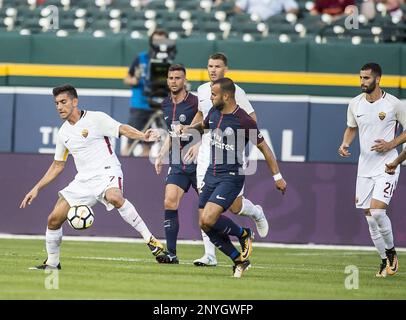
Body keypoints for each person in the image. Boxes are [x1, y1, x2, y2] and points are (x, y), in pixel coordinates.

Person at [20, 84, 164, 270]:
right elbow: (58, 165)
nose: (59, 107)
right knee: (53, 219)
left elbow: (122, 129)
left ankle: (151, 241)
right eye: (56, 103)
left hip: (107, 171)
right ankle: (52, 263)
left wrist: (143, 136)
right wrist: (36, 188)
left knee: (114, 197)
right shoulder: (63, 133)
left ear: (75, 101)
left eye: (63, 102)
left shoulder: (96, 118)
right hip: (83, 180)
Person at [180, 78, 286, 278]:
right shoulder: (213, 112)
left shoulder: (244, 120)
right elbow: (203, 126)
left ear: (226, 96)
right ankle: (239, 260)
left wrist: (277, 177)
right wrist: (186, 130)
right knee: (204, 223)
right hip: (211, 173)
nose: (210, 98)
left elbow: (264, 148)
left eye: (213, 94)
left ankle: (242, 233)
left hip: (231, 176)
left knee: (210, 218)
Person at [185, 53, 269, 267]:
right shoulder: (203, 90)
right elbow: (202, 117)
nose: (213, 70)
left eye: (217, 66)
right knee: (204, 213)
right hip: (207, 153)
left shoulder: (235, 92)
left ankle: (256, 213)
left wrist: (234, 144)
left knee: (234, 206)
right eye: (210, 66)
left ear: (226, 69)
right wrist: (194, 137)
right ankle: (209, 254)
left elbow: (252, 120)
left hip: (229, 158)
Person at [338, 63, 405, 277]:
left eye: (366, 78)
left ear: (378, 80)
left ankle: (392, 253)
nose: (362, 82)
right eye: (360, 78)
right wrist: (345, 143)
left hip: (387, 165)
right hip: (364, 166)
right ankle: (384, 260)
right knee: (369, 217)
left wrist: (390, 145)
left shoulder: (394, 104)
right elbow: (351, 128)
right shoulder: (355, 104)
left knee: (377, 211)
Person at [154, 64, 199, 264]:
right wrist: (161, 155)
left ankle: (241, 235)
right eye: (171, 78)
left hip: (199, 162)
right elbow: (172, 134)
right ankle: (171, 254)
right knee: (169, 201)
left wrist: (197, 141)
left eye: (178, 78)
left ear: (185, 80)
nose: (174, 81)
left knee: (210, 213)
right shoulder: (164, 104)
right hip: (177, 162)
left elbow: (209, 127)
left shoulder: (196, 102)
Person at [123, 29, 169, 157]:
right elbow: (127, 78)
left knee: (148, 143)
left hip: (157, 105)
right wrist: (135, 79)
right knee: (130, 141)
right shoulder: (141, 58)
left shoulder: (167, 62)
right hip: (140, 105)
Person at [234, 0, 299, 21]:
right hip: (251, 22)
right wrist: (243, 18)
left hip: (273, 24)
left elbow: (293, 8)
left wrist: (285, 17)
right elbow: (238, 8)